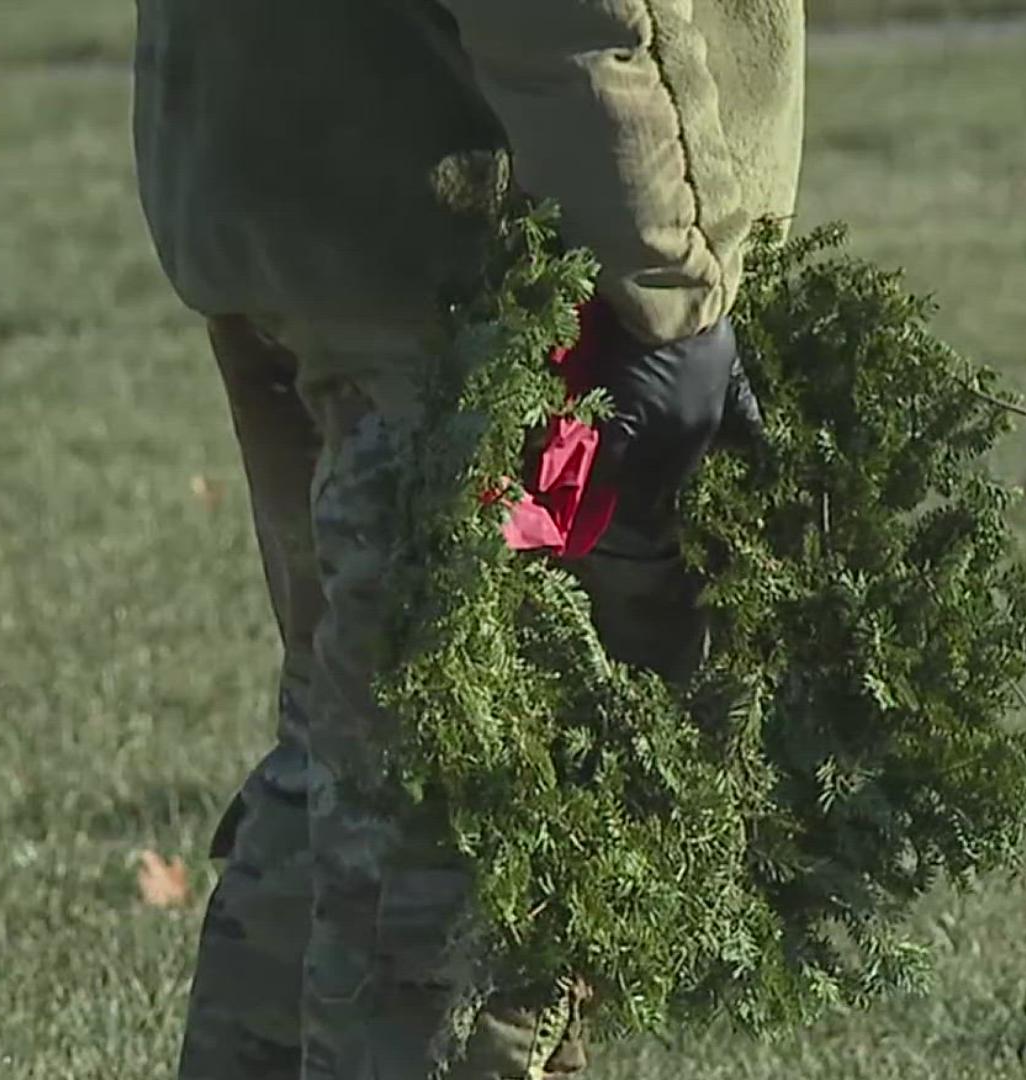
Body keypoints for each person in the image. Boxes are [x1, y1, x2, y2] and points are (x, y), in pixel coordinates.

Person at [131, 2, 805, 1076]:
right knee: (465, 816)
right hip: (477, 268)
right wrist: (668, 281)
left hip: (294, 194)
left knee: (346, 770)